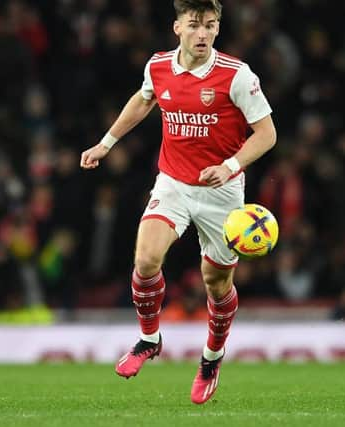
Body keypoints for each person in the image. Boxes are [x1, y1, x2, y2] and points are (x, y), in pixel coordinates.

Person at [80, 0, 276, 404]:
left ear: (218, 29)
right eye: (195, 25)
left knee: (215, 283)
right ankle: (149, 339)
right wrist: (105, 143)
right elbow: (143, 99)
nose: (203, 33)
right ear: (177, 28)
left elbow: (267, 133)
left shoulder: (237, 76)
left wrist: (231, 165)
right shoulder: (158, 66)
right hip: (173, 183)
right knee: (146, 259)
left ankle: (211, 360)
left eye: (211, 25)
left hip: (223, 192)